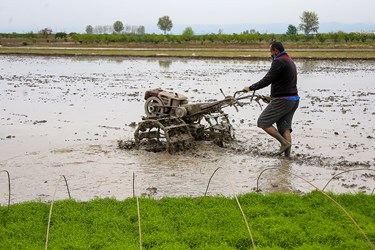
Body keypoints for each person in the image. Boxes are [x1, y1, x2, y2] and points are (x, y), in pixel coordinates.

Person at [243, 41, 299, 157]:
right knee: (285, 128)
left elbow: (268, 79)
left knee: (263, 122)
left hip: (283, 100)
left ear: (276, 51)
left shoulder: (278, 61)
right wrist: (272, 97)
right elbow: (284, 81)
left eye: (271, 51)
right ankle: (286, 158)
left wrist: (251, 88)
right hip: (293, 100)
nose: (270, 54)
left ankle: (284, 143)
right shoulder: (289, 60)